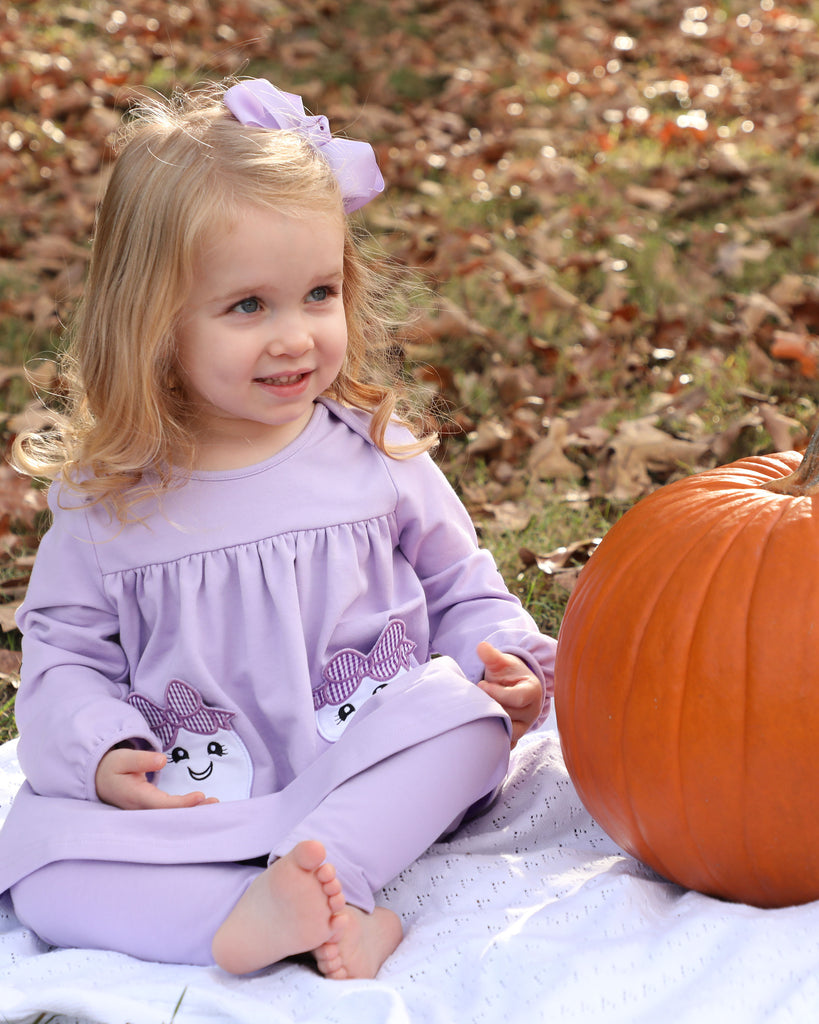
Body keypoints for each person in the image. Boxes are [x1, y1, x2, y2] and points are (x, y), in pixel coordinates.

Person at [0, 78, 557, 980]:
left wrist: (506, 658)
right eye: (248, 307)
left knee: (466, 723)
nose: (295, 337)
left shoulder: (376, 454)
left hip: (367, 761)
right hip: (195, 785)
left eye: (318, 294)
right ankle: (273, 914)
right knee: (50, 885)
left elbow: (462, 583)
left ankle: (336, 874)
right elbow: (64, 650)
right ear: (153, 324)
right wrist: (98, 749)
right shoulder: (109, 498)